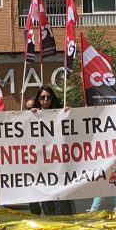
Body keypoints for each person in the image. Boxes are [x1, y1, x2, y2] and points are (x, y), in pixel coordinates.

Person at [31, 86, 74, 215]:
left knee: (62, 200)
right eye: (42, 97)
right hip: (43, 165)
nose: (45, 100)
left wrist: (69, 113)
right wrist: (31, 115)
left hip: (59, 164)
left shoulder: (60, 113)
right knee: (48, 200)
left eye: (48, 97)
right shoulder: (33, 115)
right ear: (38, 99)